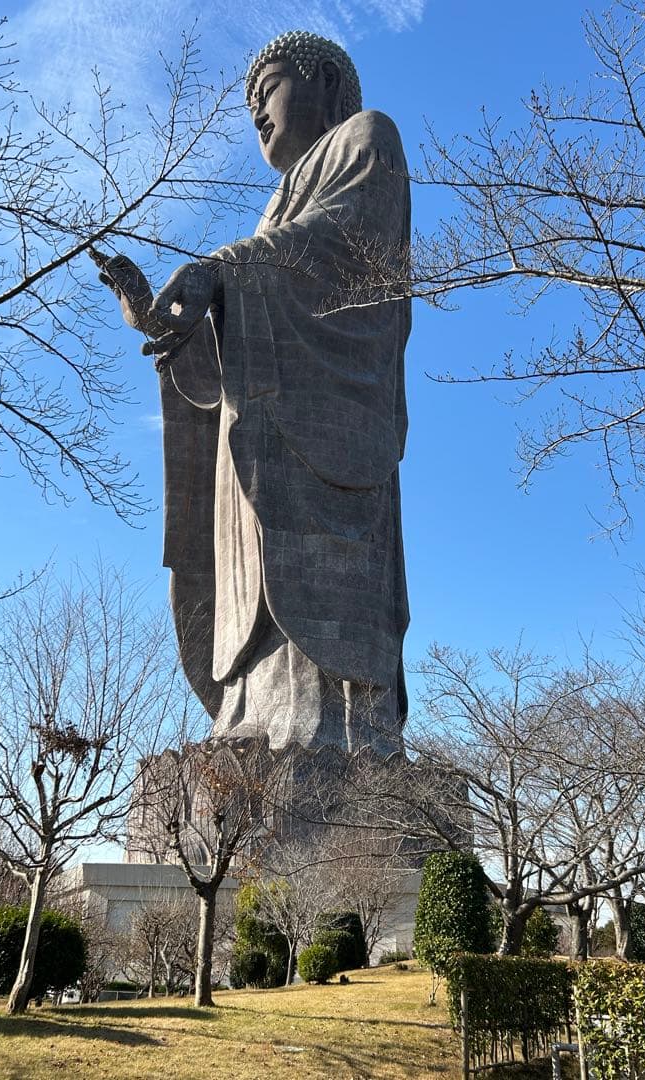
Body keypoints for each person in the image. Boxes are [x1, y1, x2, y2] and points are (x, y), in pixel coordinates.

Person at [98, 30, 411, 755]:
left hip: (330, 425)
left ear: (326, 80)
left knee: (323, 653)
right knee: (256, 616)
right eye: (249, 106)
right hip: (258, 448)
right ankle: (251, 716)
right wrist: (179, 329)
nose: (256, 116)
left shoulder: (368, 139)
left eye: (264, 90)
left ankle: (336, 730)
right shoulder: (274, 206)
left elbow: (339, 248)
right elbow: (245, 310)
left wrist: (224, 269)